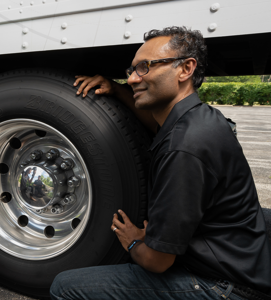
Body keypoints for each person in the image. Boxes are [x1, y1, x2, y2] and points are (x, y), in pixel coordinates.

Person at [50, 26, 271, 300]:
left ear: (185, 69)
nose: (132, 79)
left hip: (223, 285)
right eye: (131, 69)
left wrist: (133, 241)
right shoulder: (200, 118)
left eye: (145, 67)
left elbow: (158, 261)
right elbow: (157, 126)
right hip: (241, 260)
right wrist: (117, 91)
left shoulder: (184, 148)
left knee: (64, 287)